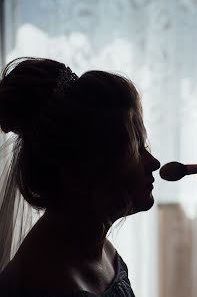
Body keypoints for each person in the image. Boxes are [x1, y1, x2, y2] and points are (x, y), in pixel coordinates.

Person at [0, 57, 160, 296]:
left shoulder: (102, 251)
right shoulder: (47, 285)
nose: (154, 163)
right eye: (134, 148)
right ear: (82, 171)